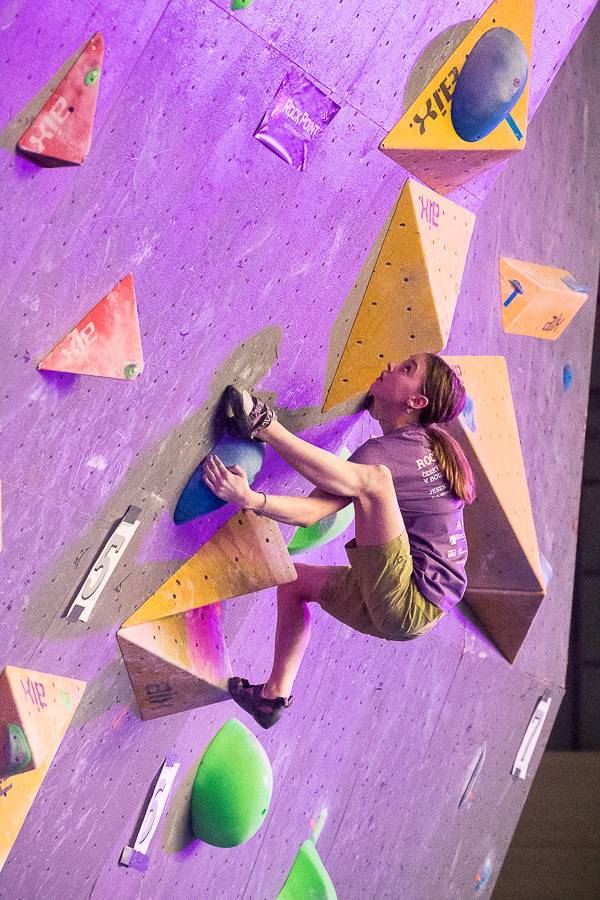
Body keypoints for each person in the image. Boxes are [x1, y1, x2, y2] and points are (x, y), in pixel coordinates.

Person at [201, 352, 476, 729]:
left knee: (376, 481)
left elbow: (368, 483)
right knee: (293, 583)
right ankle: (272, 698)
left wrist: (269, 437)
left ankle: (263, 424)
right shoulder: (406, 451)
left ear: (416, 402)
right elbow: (312, 512)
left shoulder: (394, 458)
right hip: (411, 614)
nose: (391, 364)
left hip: (411, 597)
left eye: (407, 369)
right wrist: (251, 499)